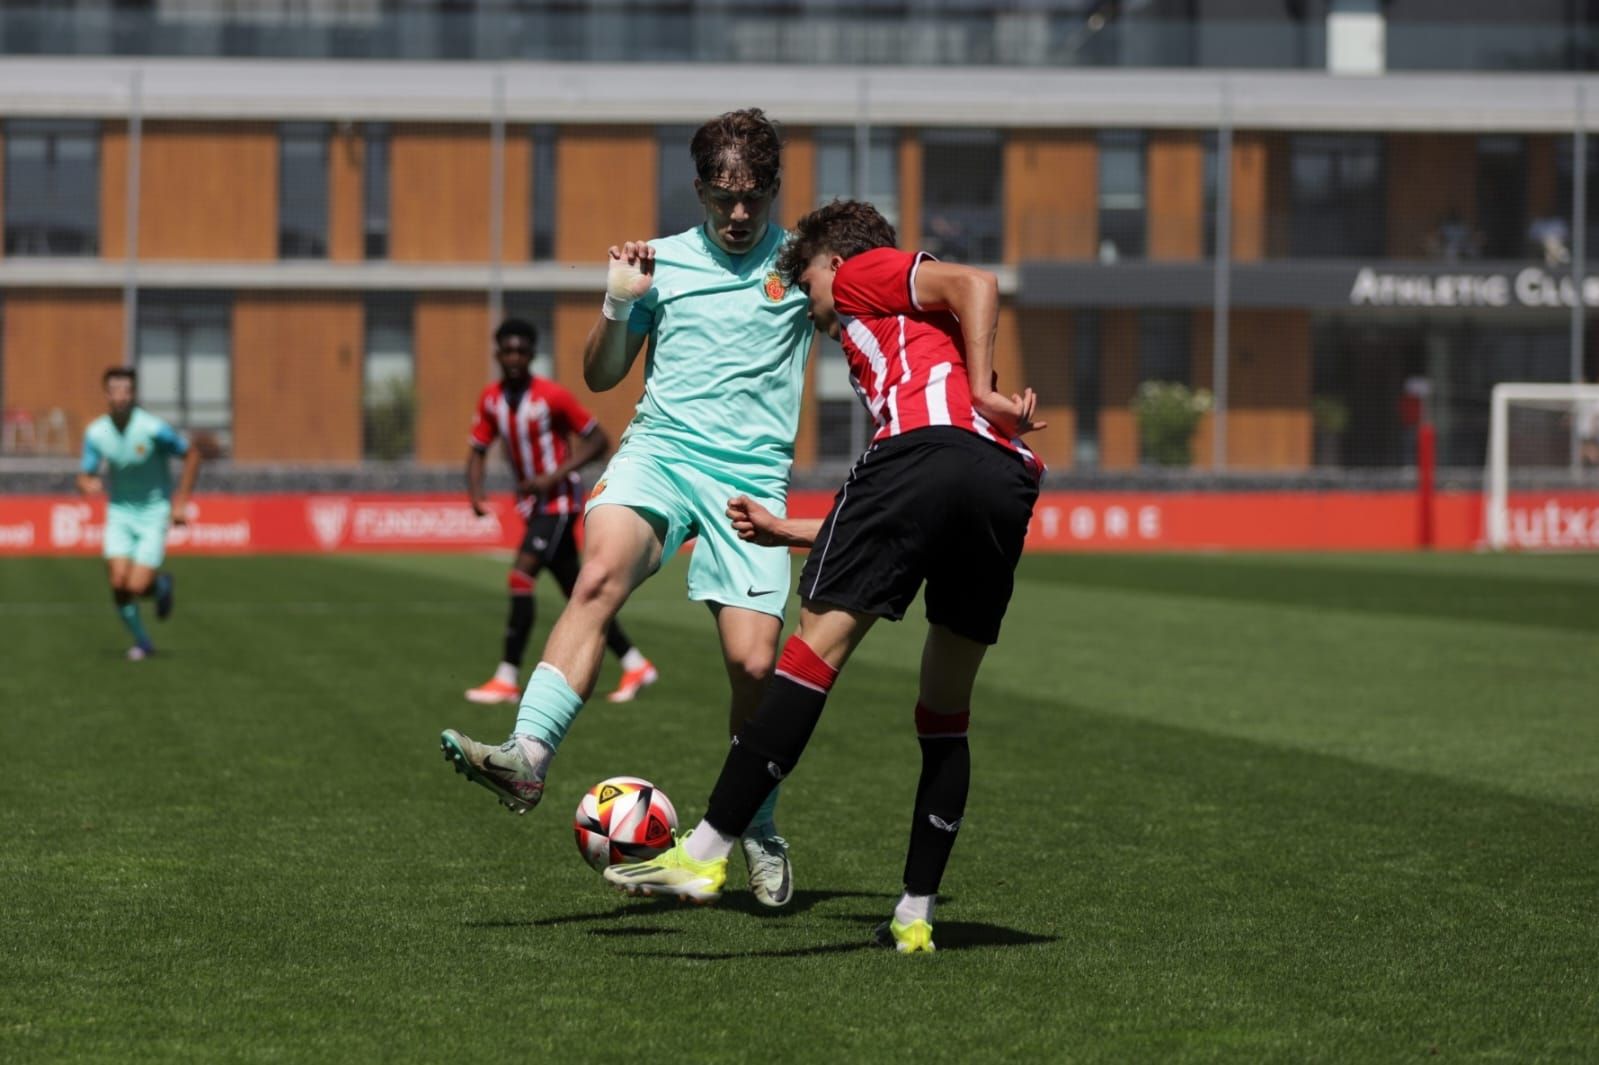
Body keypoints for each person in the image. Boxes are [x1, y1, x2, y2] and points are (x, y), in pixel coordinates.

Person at [602, 199, 1046, 954]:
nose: (808, 300)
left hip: (927, 454)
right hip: (998, 481)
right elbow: (902, 516)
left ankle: (705, 852)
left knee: (810, 655)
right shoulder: (910, 341)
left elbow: (976, 281)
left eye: (805, 278)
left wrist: (978, 389)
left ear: (835, 265)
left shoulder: (865, 274)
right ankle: (914, 915)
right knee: (944, 713)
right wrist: (785, 530)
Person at [439, 109, 815, 908]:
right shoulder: (660, 262)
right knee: (599, 570)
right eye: (722, 199)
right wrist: (617, 304)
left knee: (754, 668)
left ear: (775, 190)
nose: (738, 215)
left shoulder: (804, 265)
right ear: (698, 191)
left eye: (753, 198)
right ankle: (527, 755)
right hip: (660, 458)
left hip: (751, 480)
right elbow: (603, 378)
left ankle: (760, 824)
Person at [462, 317, 657, 706]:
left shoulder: (551, 396)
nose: (514, 356)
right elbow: (478, 449)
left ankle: (506, 676)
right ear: (498, 353)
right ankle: (636, 664)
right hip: (533, 507)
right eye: (508, 349)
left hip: (559, 504)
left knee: (521, 576)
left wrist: (553, 476)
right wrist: (476, 494)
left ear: (533, 354)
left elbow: (599, 440)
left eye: (522, 349)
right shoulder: (491, 399)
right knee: (579, 593)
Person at [76, 367, 207, 660]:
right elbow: (84, 473)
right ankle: (142, 641)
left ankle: (161, 585)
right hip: (120, 512)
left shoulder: (151, 428)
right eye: (115, 390)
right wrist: (87, 483)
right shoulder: (97, 432)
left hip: (153, 512)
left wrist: (181, 502)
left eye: (127, 390)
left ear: (134, 394)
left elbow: (193, 455)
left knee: (137, 584)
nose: (121, 396)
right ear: (107, 394)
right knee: (118, 582)